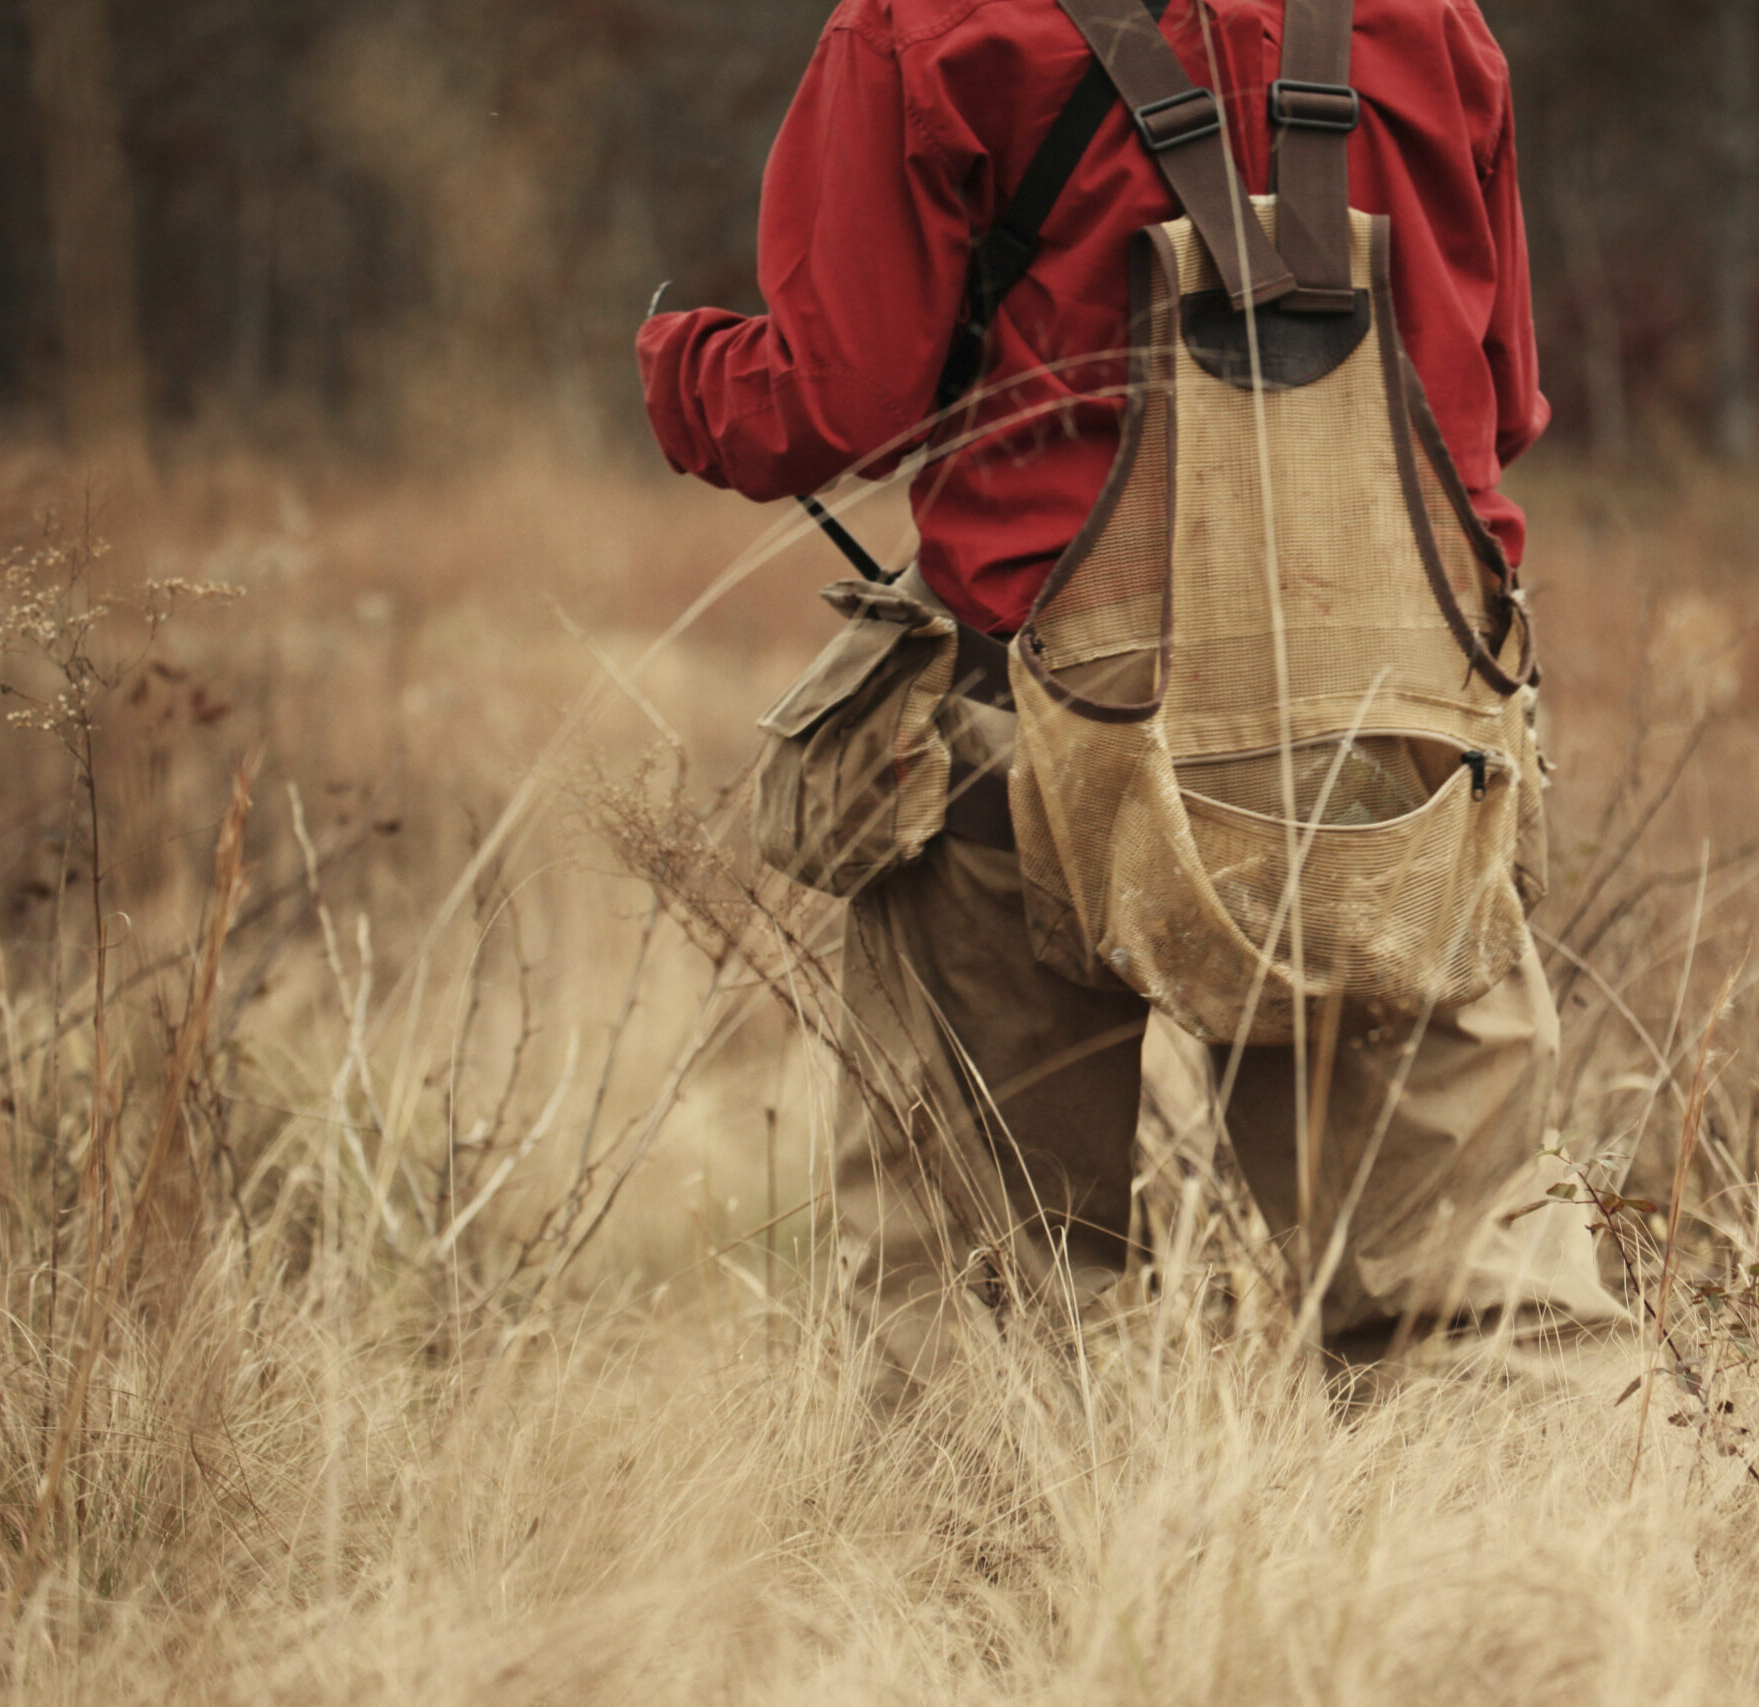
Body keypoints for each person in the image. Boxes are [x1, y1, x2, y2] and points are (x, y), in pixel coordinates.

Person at [637, 0, 1620, 1390]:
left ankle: (1007, 1539)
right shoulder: (1432, 21)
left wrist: (678, 366)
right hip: (1398, 740)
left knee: (983, 1300)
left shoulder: (923, 28)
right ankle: (1509, 1539)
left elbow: (825, 409)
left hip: (1033, 729)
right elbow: (1501, 399)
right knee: (1467, 1301)